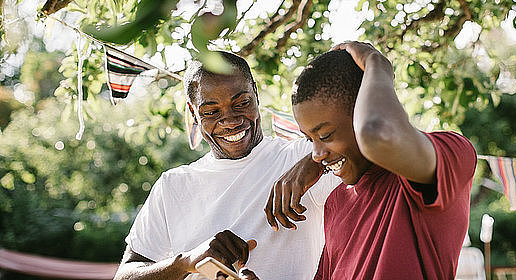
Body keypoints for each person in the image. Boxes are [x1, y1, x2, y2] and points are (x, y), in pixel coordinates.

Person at [114, 51, 337, 280]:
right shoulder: (172, 186)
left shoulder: (304, 157)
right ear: (193, 113)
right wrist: (187, 262)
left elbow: (364, 139)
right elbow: (125, 275)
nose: (231, 121)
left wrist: (314, 162)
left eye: (241, 103)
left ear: (256, 95)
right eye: (211, 111)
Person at [270, 42, 477, 279]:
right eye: (310, 139)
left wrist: (376, 62)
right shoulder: (336, 202)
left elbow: (377, 133)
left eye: (325, 135)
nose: (316, 153)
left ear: (364, 108)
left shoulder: (452, 155)